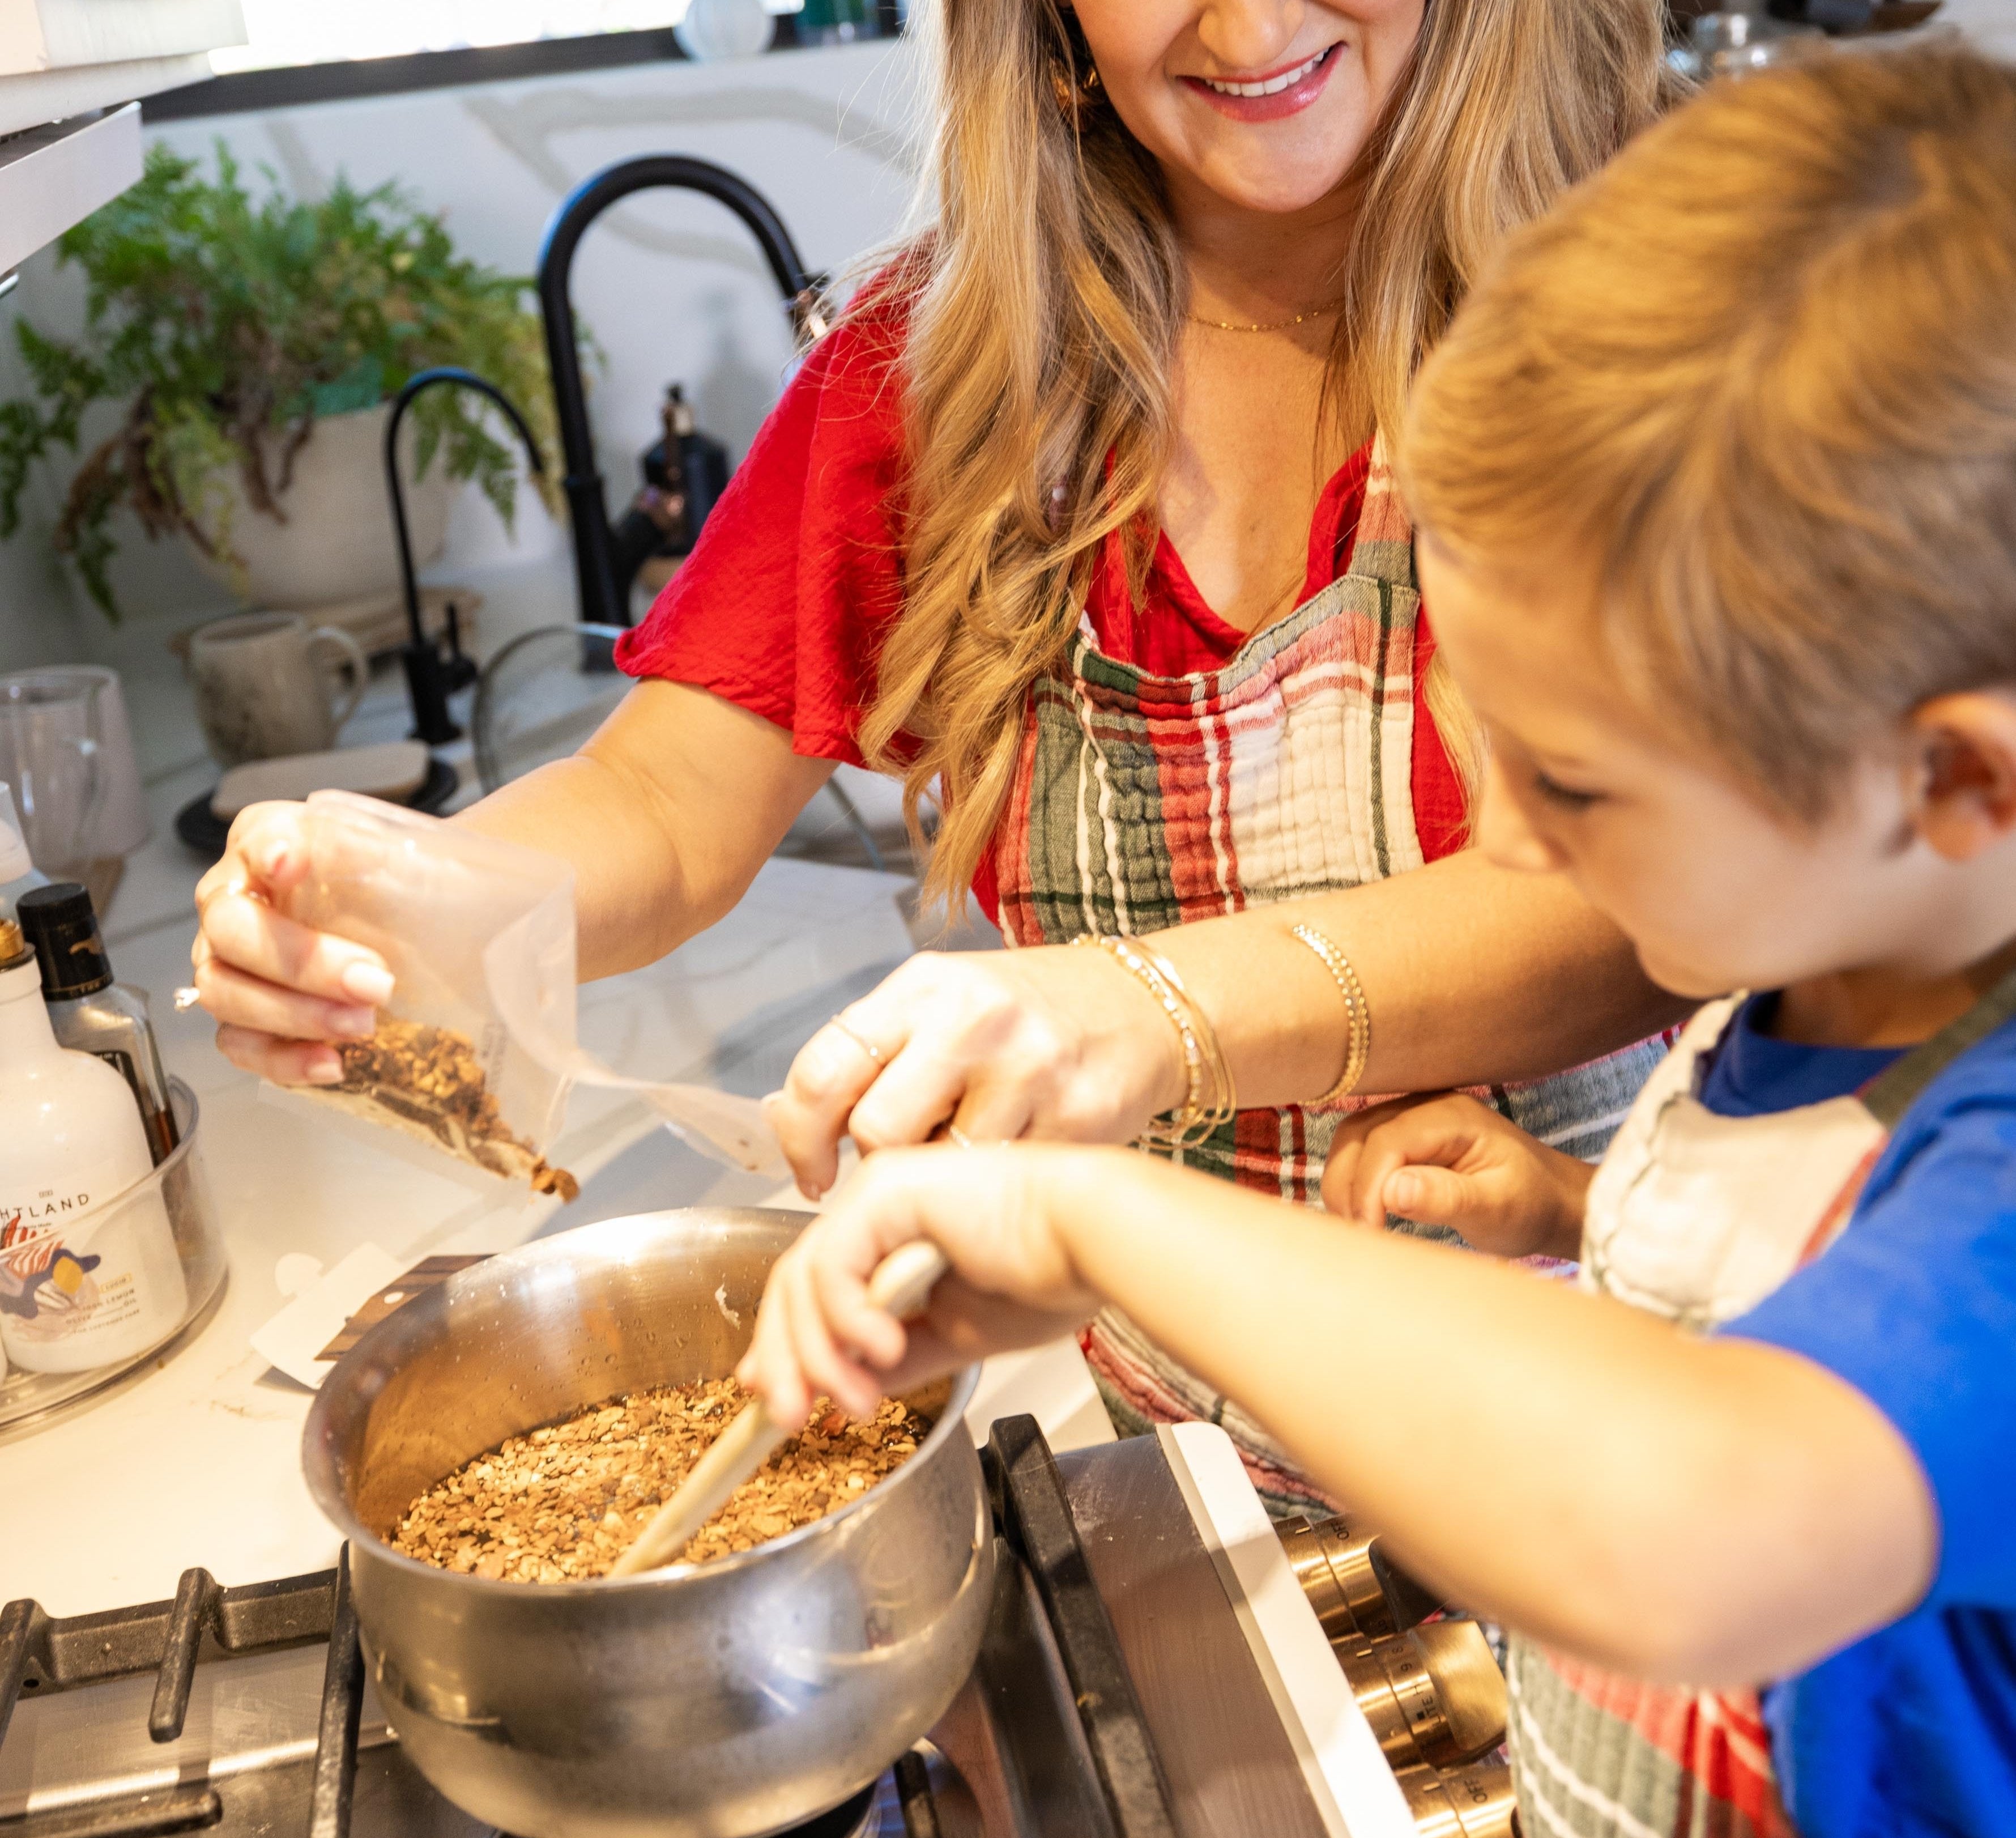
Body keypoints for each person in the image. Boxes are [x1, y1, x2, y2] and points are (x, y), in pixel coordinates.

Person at [741, 46, 2016, 1838]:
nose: (1506, 843)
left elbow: (1697, 1518)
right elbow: (1797, 1302)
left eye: (1577, 789)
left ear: (1965, 788)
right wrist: (1574, 1229)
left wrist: (1103, 1220)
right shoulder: (1842, 978)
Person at [192, 0, 1681, 1507]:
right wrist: (409, 900)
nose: (1252, 16)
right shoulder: (950, 376)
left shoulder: (1654, 321)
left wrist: (1150, 1010)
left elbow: (1639, 911)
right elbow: (661, 800)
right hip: (1202, 1477)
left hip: (1627, 1456)